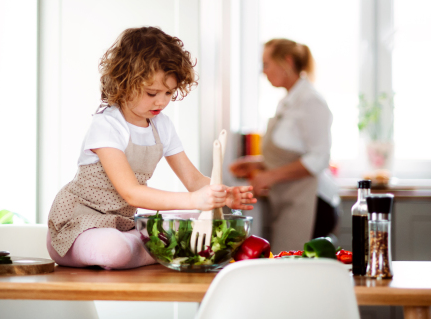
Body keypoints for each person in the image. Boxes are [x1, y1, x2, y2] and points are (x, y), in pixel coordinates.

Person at [47, 27, 256, 270]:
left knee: (164, 232)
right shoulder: (107, 125)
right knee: (114, 249)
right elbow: (131, 193)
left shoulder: (162, 126)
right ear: (125, 81)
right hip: (78, 227)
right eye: (152, 93)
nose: (162, 101)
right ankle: (153, 250)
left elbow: (193, 179)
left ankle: (145, 247)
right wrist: (193, 200)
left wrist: (222, 194)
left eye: (169, 92)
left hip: (122, 224)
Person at [230, 39, 339, 252]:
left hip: (312, 204)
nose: (264, 72)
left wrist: (269, 176)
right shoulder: (289, 100)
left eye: (267, 64)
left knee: (294, 268)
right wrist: (258, 164)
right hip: (289, 201)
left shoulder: (311, 101)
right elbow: (293, 152)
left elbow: (318, 158)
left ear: (287, 61)